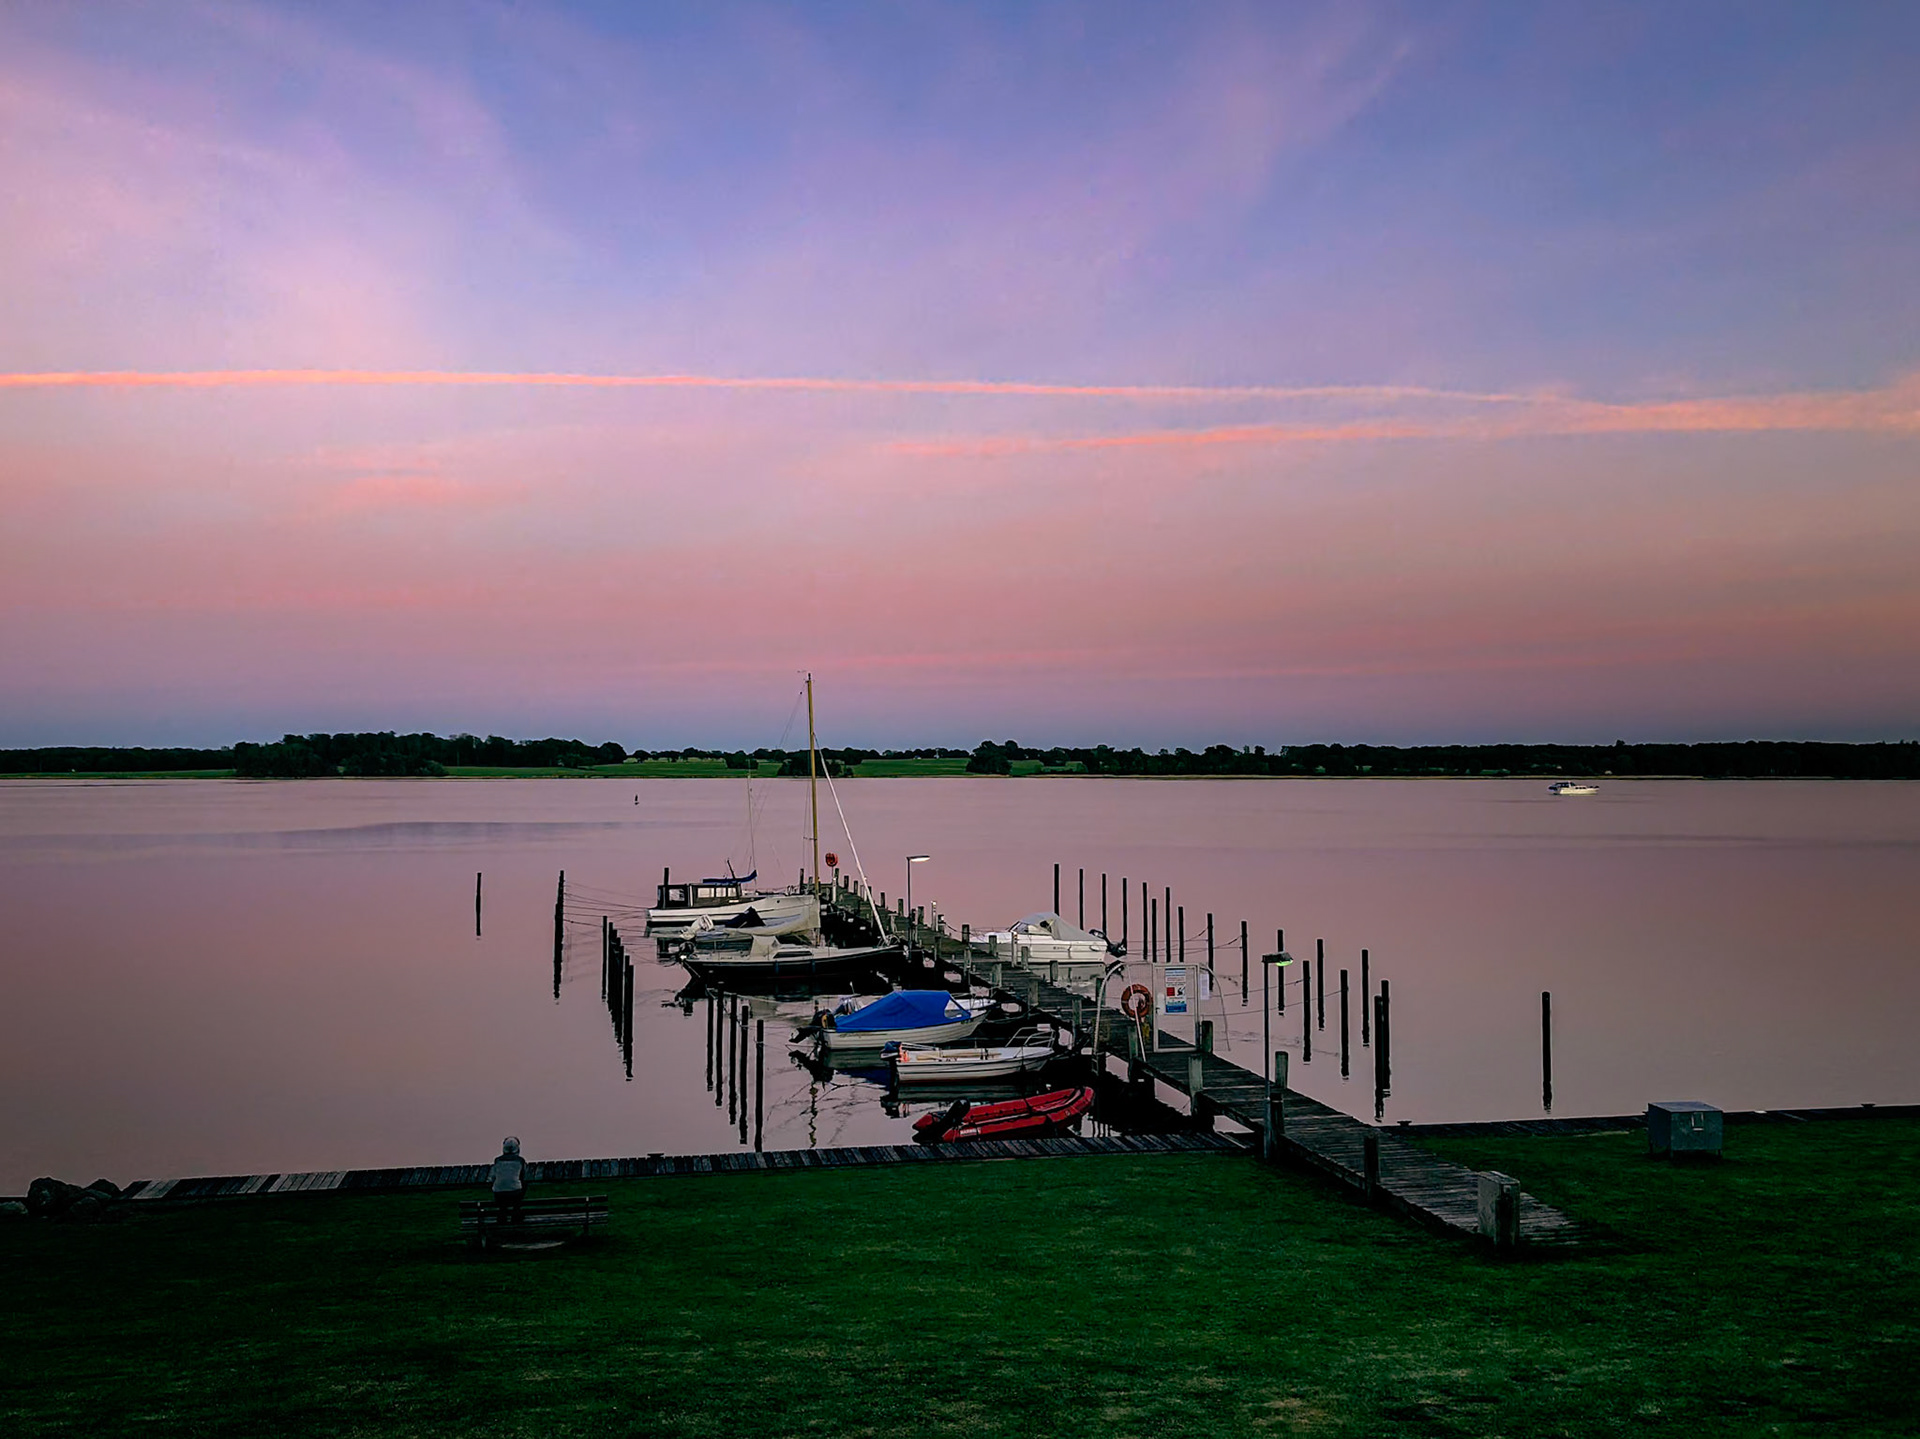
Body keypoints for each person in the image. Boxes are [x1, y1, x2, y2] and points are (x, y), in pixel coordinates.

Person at [489, 1136, 528, 1223]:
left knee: (500, 1195)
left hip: (499, 1192)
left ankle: (502, 1215)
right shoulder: (520, 1161)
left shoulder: (497, 1160)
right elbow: (523, 1176)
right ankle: (516, 1212)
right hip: (515, 1192)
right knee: (523, 1185)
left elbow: (493, 1177)